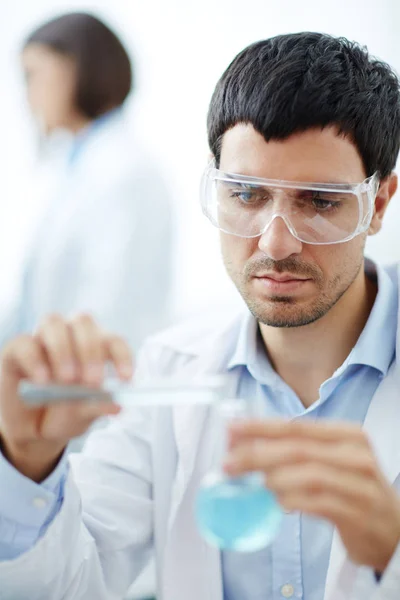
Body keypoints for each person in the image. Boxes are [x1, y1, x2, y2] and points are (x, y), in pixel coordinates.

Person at [0, 31, 400, 600]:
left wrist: (392, 552)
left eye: (319, 201)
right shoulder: (171, 371)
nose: (276, 242)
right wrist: (26, 464)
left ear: (378, 204)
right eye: (245, 194)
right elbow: (67, 585)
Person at [0, 12, 173, 352]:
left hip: (90, 382)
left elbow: (106, 308)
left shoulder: (123, 171)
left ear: (74, 72)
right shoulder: (80, 165)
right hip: (55, 379)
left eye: (32, 76)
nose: (27, 96)